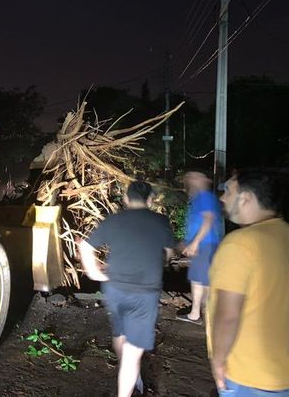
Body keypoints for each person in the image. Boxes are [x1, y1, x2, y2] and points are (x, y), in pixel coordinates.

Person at [78, 181, 175, 397]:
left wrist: (95, 273)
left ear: (126, 199)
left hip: (115, 290)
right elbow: (168, 254)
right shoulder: (160, 222)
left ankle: (128, 371)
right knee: (133, 356)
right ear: (150, 200)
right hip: (144, 293)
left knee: (120, 332)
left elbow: (85, 246)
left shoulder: (114, 220)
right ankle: (130, 380)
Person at [208, 169, 289, 396]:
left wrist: (218, 361)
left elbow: (228, 315)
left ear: (246, 198)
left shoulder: (239, 244)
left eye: (228, 190)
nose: (222, 197)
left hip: (249, 376)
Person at [176, 170, 223, 325]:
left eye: (194, 177)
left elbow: (208, 220)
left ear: (204, 180)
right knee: (201, 279)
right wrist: (188, 242)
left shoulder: (204, 196)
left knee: (200, 280)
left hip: (205, 244)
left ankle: (198, 314)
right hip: (205, 244)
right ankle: (203, 312)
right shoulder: (199, 198)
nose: (190, 179)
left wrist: (195, 243)